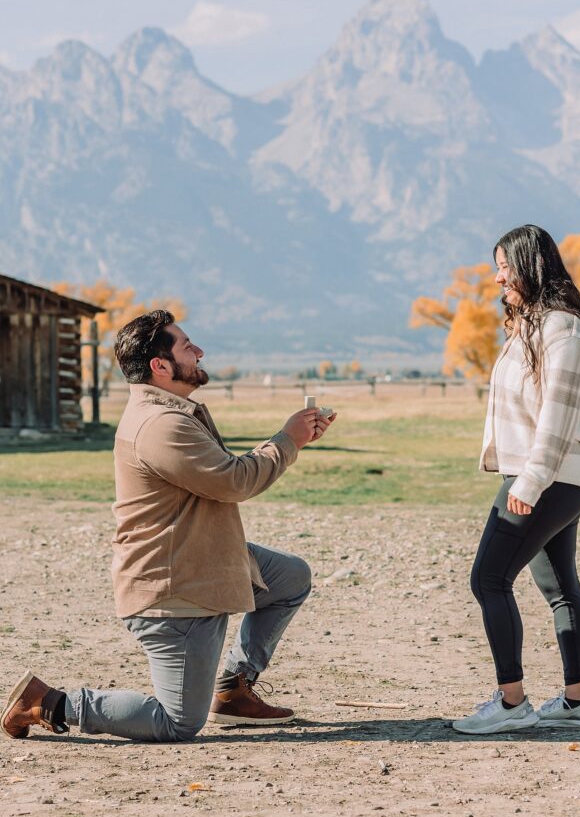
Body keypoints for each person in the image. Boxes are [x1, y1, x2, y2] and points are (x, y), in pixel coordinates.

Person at [1, 310, 335, 742]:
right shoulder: (161, 424)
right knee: (177, 723)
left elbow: (223, 472)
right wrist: (288, 440)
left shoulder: (168, 413)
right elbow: (235, 481)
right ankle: (48, 702)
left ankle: (232, 690)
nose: (200, 352)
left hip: (202, 561)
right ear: (160, 365)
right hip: (176, 590)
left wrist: (289, 439)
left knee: (289, 577)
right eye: (187, 346)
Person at [452, 225, 580, 736]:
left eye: (504, 266)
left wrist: (529, 481)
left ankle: (511, 702)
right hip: (550, 477)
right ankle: (577, 703)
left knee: (488, 579)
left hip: (546, 476)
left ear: (530, 266)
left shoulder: (564, 331)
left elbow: (557, 417)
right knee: (559, 586)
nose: (497, 277)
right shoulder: (533, 327)